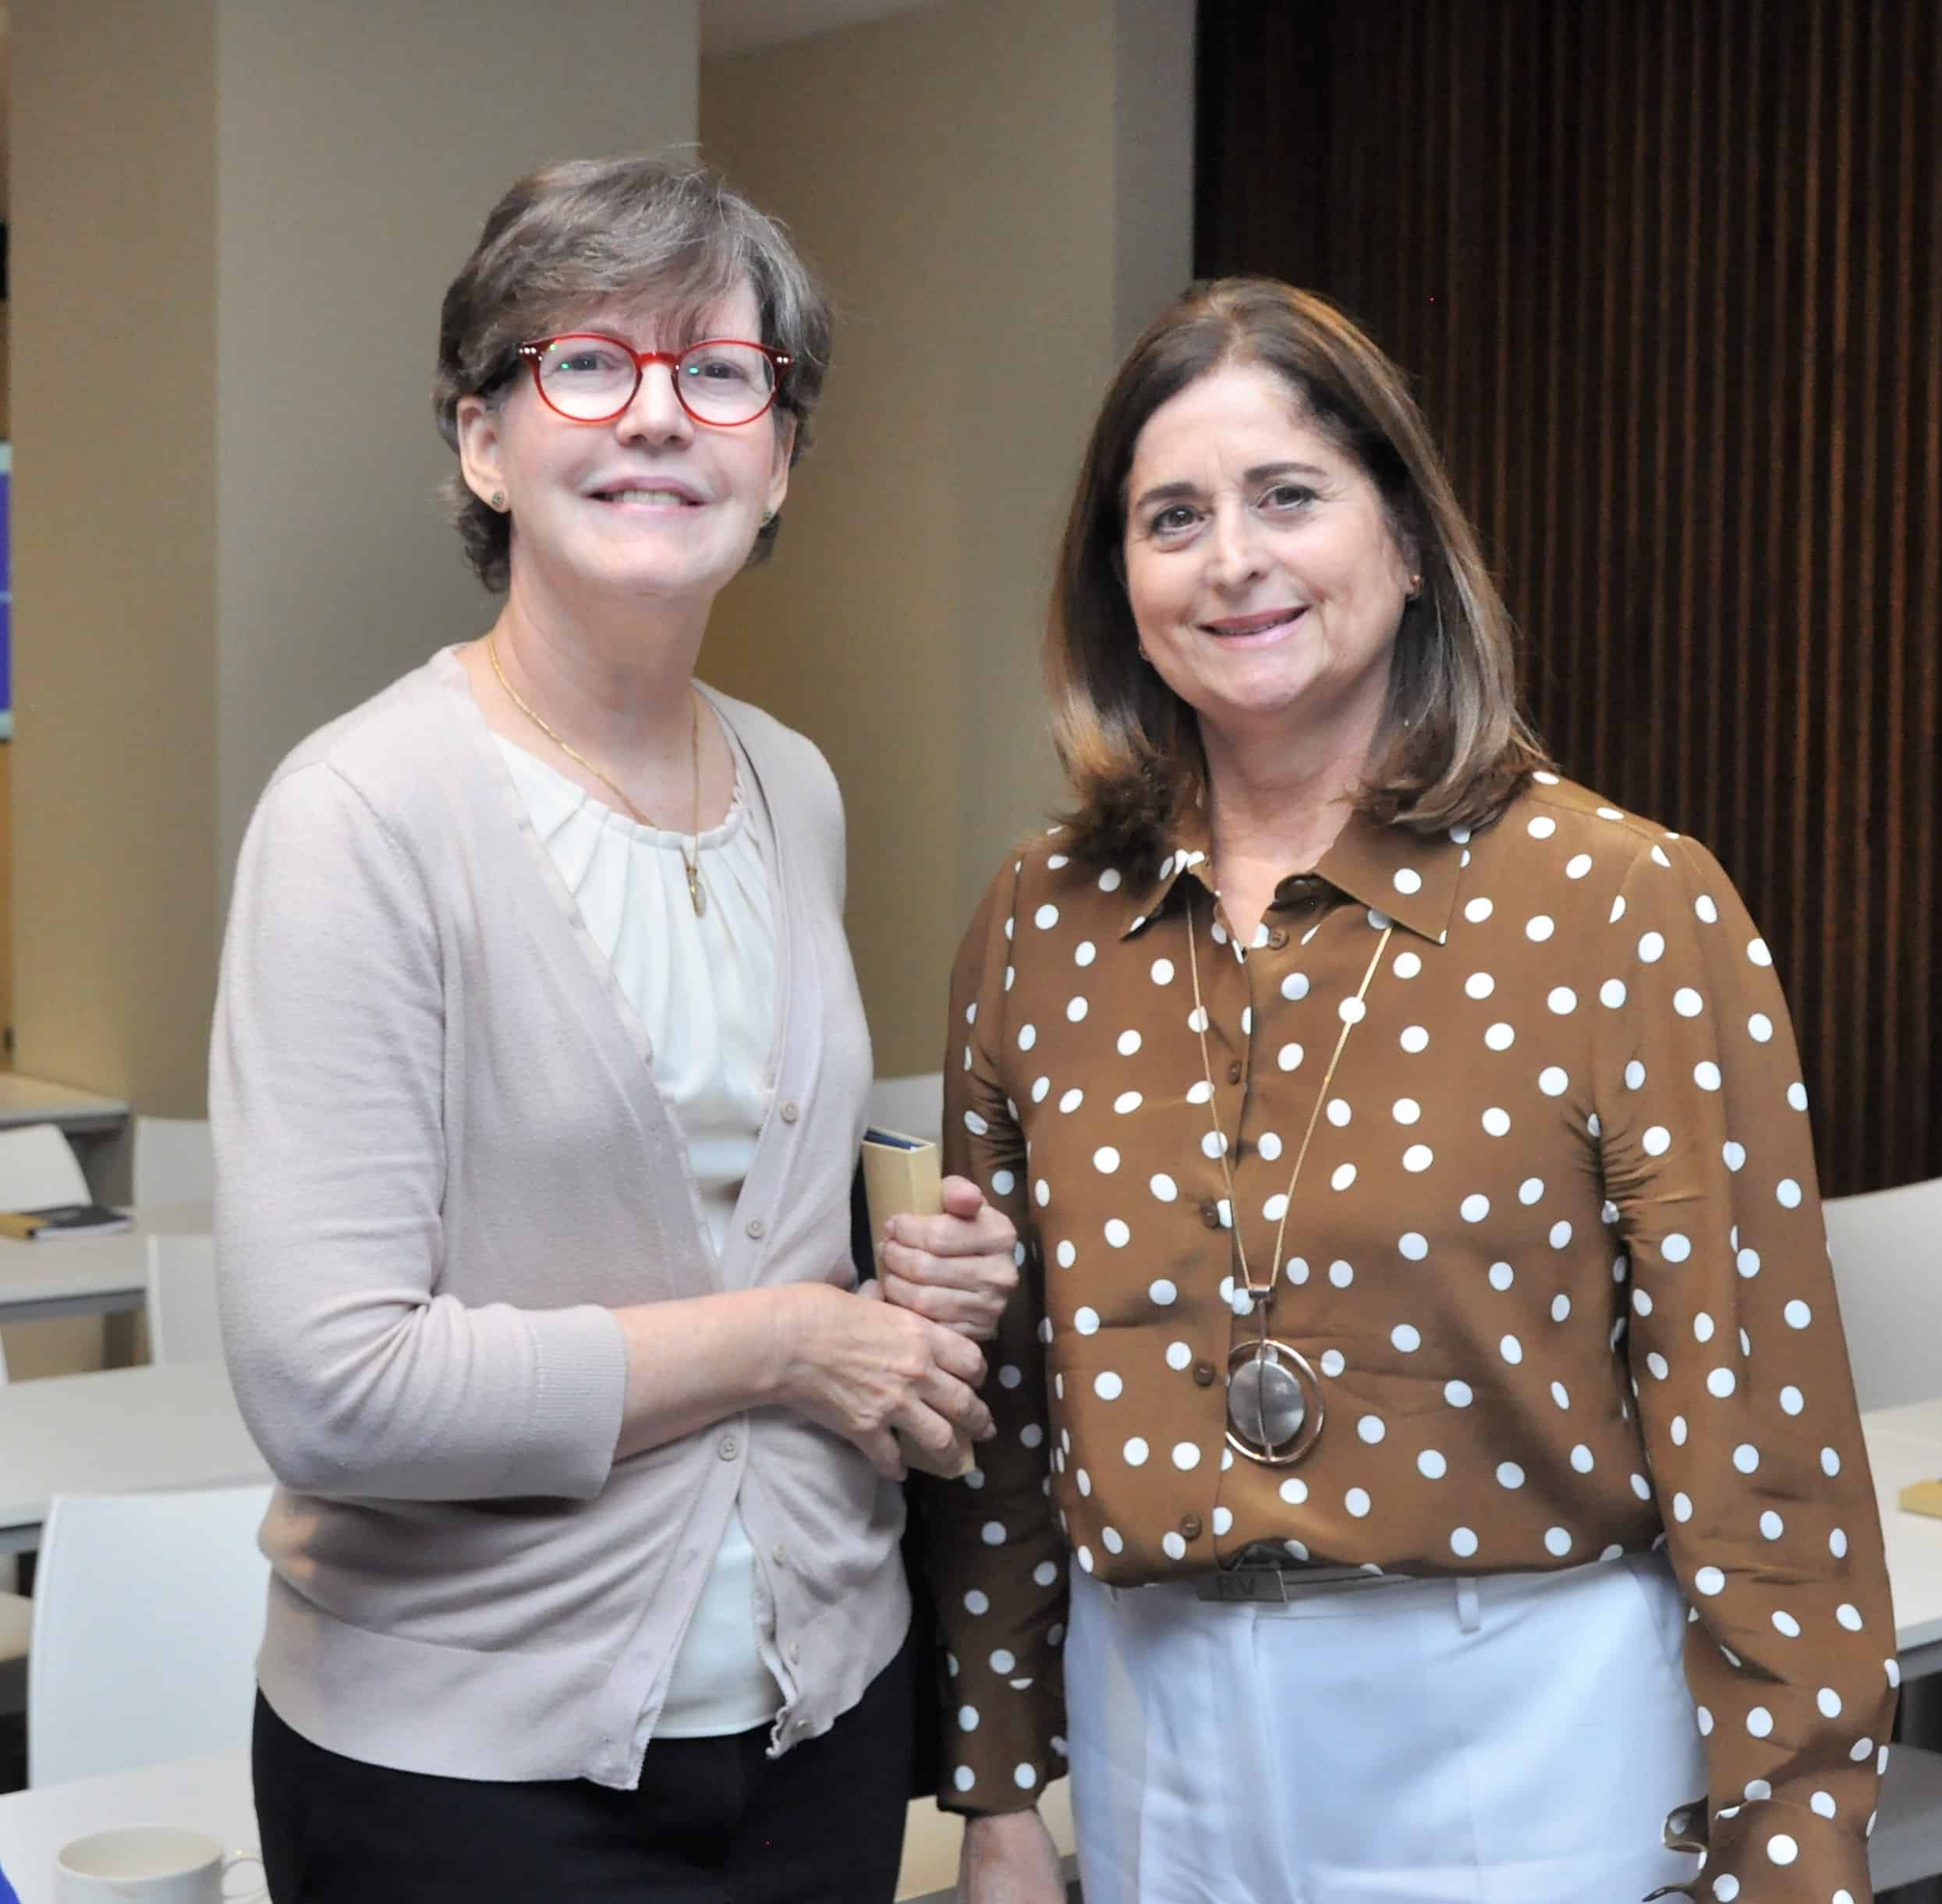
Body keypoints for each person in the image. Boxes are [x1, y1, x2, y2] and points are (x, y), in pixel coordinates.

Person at [898, 278, 1899, 1902]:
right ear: (1120, 587)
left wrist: (1791, 1848)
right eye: (1172, 517)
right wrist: (1000, 1794)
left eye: (1290, 495)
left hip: (1520, 1723)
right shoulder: (1040, 922)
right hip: (1155, 1725)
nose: (1233, 559)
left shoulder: (1623, 903)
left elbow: (1758, 1430)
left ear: (1411, 542)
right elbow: (1006, 1404)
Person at [211, 154, 1017, 1904]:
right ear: (484, 442)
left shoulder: (794, 785)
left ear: (777, 458)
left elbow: (755, 1232)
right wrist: (790, 1341)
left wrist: (900, 1290)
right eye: (587, 363)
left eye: (718, 373)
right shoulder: (361, 815)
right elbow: (330, 1388)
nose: (657, 416)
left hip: (823, 1724)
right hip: (464, 1775)